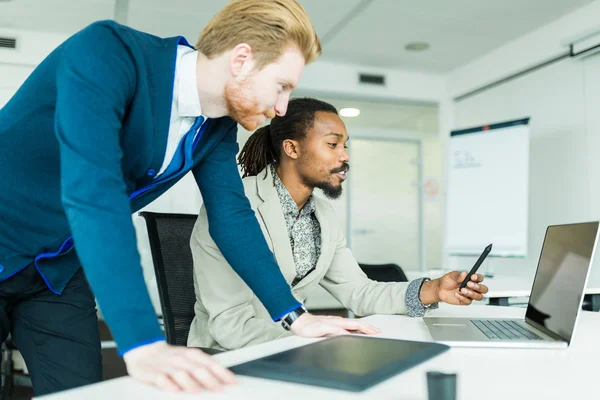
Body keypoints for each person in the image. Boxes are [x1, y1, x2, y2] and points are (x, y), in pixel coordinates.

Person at [0, 1, 375, 395]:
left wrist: (295, 316)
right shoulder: (105, 53)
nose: (281, 107)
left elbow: (232, 216)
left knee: (83, 392)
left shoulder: (214, 126)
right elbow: (95, 196)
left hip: (55, 271)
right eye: (281, 86)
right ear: (242, 59)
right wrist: (143, 341)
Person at [187, 98, 489, 350]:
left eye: (345, 146)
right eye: (333, 144)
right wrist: (313, 343)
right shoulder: (234, 207)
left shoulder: (323, 215)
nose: (345, 156)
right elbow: (231, 325)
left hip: (291, 348)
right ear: (292, 149)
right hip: (225, 358)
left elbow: (359, 292)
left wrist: (433, 290)